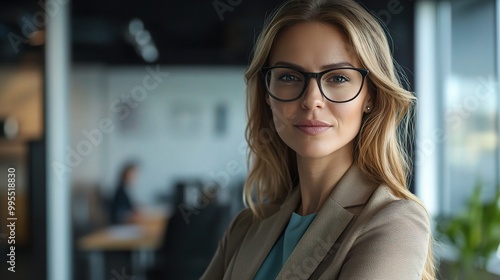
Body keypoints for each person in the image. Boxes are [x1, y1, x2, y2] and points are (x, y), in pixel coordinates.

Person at [202, 0, 435, 279]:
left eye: (337, 78)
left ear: (370, 96)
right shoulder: (246, 227)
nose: (311, 101)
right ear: (267, 94)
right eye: (289, 76)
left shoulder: (392, 221)